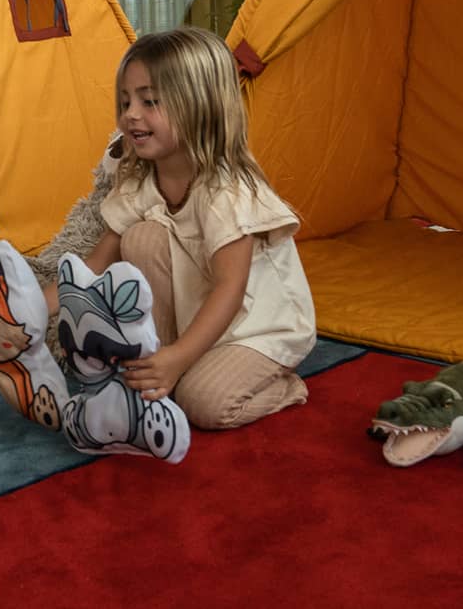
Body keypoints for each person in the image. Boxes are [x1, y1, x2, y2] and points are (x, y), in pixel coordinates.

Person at [70, 26, 315, 431]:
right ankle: (172, 357)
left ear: (199, 107)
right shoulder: (140, 182)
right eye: (126, 101)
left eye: (150, 102)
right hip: (200, 316)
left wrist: (180, 360)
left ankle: (284, 386)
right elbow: (94, 265)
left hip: (259, 328)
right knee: (140, 238)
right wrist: (27, 309)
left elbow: (230, 290)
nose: (131, 114)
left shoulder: (227, 191)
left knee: (202, 404)